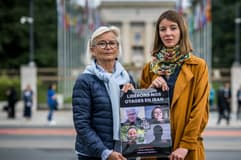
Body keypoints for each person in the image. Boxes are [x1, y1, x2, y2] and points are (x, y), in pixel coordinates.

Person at [140, 10, 210, 160]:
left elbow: (200, 111)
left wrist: (185, 146)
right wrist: (150, 89)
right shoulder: (149, 68)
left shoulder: (198, 66)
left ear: (181, 31)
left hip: (183, 149)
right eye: (162, 29)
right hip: (154, 148)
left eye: (173, 28)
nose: (168, 33)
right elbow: (141, 111)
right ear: (158, 33)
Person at [72, 25, 135, 160]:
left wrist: (133, 98)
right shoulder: (85, 81)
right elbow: (82, 124)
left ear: (118, 48)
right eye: (102, 43)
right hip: (94, 154)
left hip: (125, 152)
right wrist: (105, 153)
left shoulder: (127, 78)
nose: (108, 47)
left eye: (112, 43)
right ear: (92, 50)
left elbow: (136, 118)